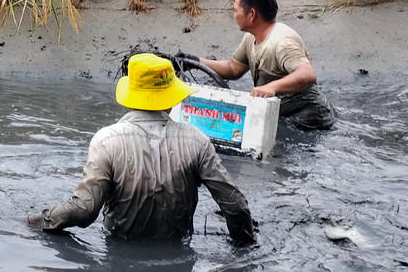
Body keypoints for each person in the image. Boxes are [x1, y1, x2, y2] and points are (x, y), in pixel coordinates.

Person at [27, 53, 256, 243]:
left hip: (119, 249)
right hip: (177, 251)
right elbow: (235, 205)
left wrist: (36, 220)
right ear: (172, 99)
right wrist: (243, 246)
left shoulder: (106, 141)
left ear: (130, 96)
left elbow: (83, 211)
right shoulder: (197, 140)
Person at [188, 0, 336, 131]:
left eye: (236, 11)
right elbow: (233, 68)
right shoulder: (250, 38)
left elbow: (308, 74)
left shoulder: (283, 41)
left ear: (251, 14)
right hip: (280, 111)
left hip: (310, 114)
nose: (234, 15)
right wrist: (195, 61)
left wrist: (271, 87)